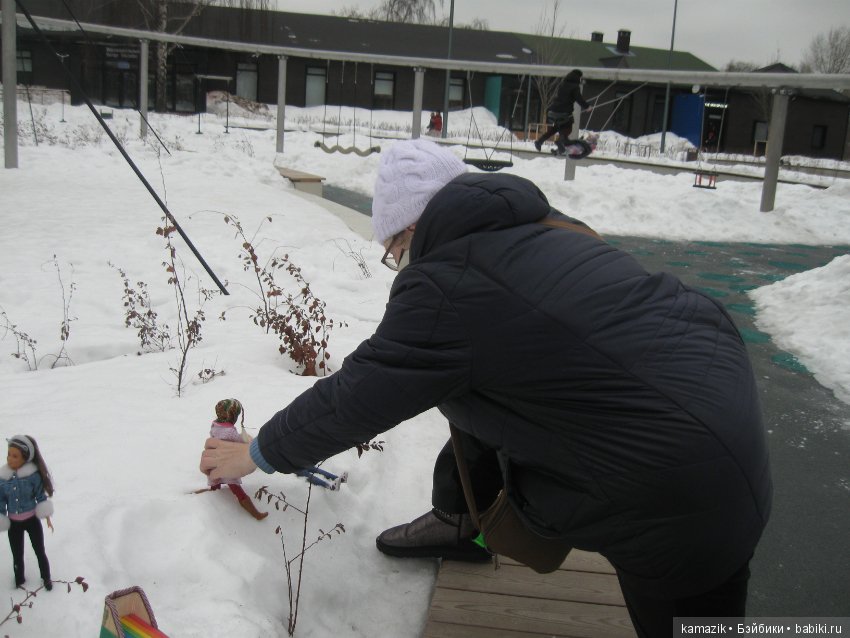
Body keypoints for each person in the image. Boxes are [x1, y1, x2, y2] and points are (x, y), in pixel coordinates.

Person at [200, 138, 772, 637]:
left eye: (394, 250)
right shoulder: (546, 229)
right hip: (725, 429)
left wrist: (257, 452)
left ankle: (468, 521)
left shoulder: (447, 285)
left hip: (671, 493)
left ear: (415, 227)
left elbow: (357, 395)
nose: (397, 262)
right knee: (471, 382)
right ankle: (460, 519)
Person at [0, 435, 54, 590]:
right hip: (13, 524)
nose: (10, 459)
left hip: (31, 521)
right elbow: (1, 500)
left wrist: (47, 516)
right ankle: (19, 581)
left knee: (39, 551)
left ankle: (46, 578)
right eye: (8, 455)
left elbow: (40, 496)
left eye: (15, 456)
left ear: (25, 458)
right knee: (17, 555)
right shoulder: (3, 478)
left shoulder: (32, 476)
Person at [206, 399, 268, 520]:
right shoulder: (230, 431)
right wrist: (247, 439)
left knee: (216, 482)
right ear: (232, 415)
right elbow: (239, 442)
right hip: (227, 465)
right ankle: (256, 514)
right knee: (237, 490)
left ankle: (211, 496)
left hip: (215, 462)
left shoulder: (215, 425)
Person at [534, 69, 590, 155]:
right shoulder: (575, 87)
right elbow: (579, 99)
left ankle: (539, 141)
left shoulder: (562, 84)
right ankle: (560, 142)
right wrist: (587, 107)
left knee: (556, 128)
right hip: (563, 113)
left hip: (553, 111)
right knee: (567, 129)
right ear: (578, 78)